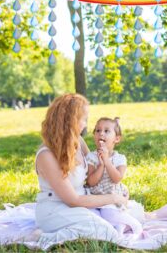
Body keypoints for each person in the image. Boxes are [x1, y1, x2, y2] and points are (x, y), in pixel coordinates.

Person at [34, 94, 127, 244]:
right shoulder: (46, 155)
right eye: (83, 119)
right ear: (70, 120)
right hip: (56, 209)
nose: (85, 124)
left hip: (82, 202)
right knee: (107, 232)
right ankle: (41, 237)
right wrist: (114, 198)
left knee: (126, 218)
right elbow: (73, 200)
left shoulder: (78, 141)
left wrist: (116, 189)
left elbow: (95, 170)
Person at [86, 117, 143, 235]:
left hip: (111, 200)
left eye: (107, 131)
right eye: (98, 130)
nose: (101, 133)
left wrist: (106, 161)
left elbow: (116, 178)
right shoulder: (91, 157)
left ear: (116, 139)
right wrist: (101, 166)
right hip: (94, 199)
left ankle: (132, 225)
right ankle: (117, 226)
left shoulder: (119, 159)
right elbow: (91, 182)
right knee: (90, 217)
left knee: (109, 214)